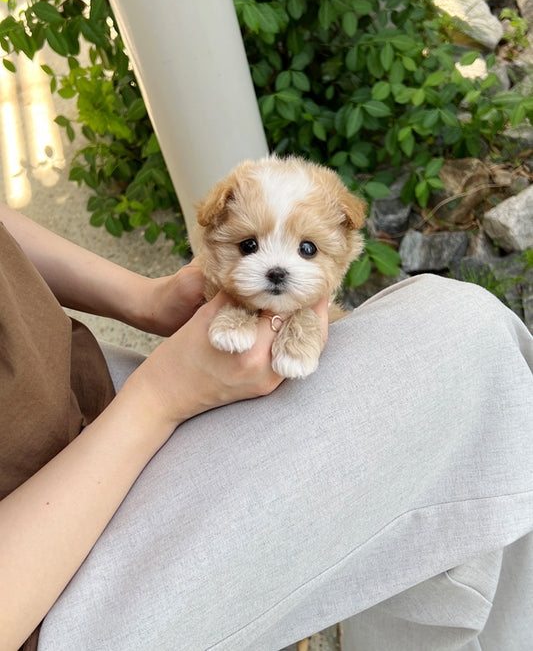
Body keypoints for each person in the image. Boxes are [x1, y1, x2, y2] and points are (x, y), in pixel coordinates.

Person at [0, 200, 532, 651]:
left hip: (83, 398)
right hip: (42, 595)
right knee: (475, 359)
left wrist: (146, 300)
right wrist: (158, 398)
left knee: (455, 380)